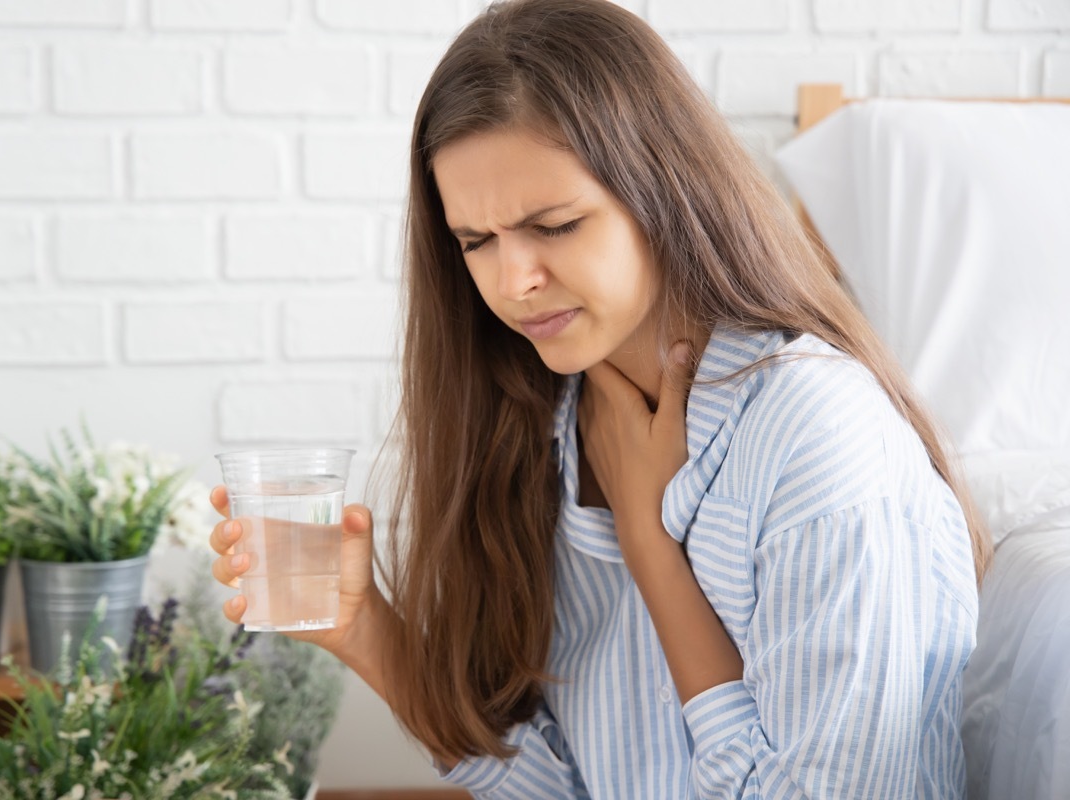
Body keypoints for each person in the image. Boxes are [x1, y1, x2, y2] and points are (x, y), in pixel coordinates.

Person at [208, 1, 990, 797]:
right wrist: (365, 630)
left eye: (555, 225)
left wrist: (655, 556)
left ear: (664, 188)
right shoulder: (553, 421)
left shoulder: (815, 436)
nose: (511, 283)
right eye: (475, 242)